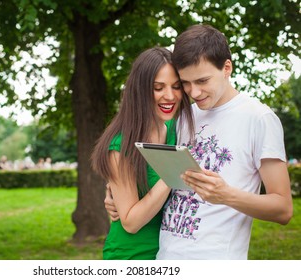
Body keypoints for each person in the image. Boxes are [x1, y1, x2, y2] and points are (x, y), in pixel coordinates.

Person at [106, 24, 293, 260]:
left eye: (202, 80)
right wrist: (114, 193)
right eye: (185, 83)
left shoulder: (259, 119)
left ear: (227, 67)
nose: (193, 92)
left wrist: (226, 195)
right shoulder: (182, 118)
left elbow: (283, 209)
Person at [91, 47, 194, 260]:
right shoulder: (121, 145)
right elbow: (130, 222)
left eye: (176, 86)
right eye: (158, 88)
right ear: (140, 90)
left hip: (173, 253)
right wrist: (173, 174)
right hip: (133, 256)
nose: (170, 96)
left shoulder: (177, 129)